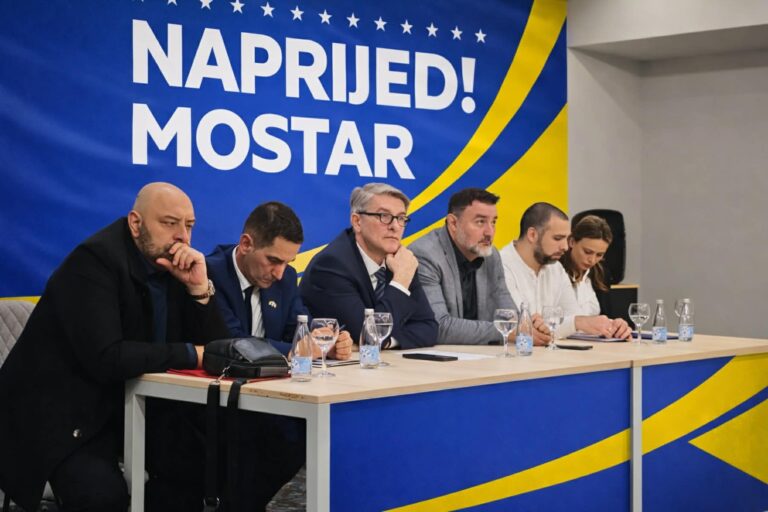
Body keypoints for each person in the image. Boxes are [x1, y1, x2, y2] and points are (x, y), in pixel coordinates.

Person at [0, 183, 230, 512]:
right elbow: (107, 358)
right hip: (60, 412)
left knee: (207, 469)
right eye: (169, 223)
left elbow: (217, 350)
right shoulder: (93, 262)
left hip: (130, 404)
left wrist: (199, 290)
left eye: (189, 225)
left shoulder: (173, 266)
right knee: (102, 497)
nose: (182, 236)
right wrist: (191, 354)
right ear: (136, 223)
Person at [206, 201, 353, 359]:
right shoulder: (211, 274)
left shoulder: (287, 277)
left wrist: (327, 344)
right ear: (246, 244)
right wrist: (294, 351)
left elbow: (301, 330)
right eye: (273, 260)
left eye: (287, 263)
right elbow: (230, 342)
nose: (279, 274)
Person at [300, 183, 438, 348]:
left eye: (401, 218)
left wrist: (387, 342)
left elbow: (429, 327)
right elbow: (368, 334)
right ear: (357, 221)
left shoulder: (401, 260)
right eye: (384, 216)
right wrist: (400, 281)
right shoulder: (331, 265)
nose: (395, 226)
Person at [499, 202, 631, 343]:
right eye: (557, 238)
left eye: (565, 239)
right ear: (532, 235)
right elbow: (518, 327)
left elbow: (573, 319)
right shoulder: (501, 265)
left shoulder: (556, 268)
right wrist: (575, 323)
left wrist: (612, 326)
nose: (565, 247)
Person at [409, 188, 516, 344]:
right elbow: (438, 327)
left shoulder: (491, 256)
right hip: (438, 356)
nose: (490, 232)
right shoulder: (425, 254)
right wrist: (506, 331)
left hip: (480, 354)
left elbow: (509, 314)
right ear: (453, 223)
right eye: (480, 222)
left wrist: (528, 324)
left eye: (493, 222)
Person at [560, 215, 613, 316]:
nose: (592, 260)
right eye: (587, 252)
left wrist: (614, 323)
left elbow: (606, 315)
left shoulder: (602, 274)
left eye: (599, 255)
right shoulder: (554, 271)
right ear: (572, 242)